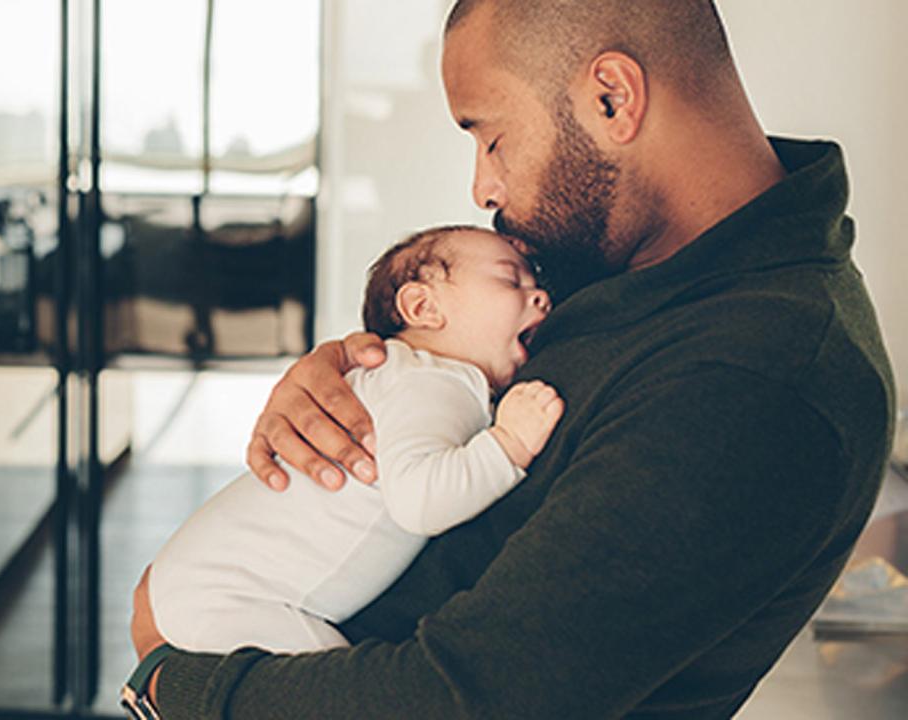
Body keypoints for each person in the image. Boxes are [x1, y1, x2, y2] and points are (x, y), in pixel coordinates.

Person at [127, 1, 897, 718]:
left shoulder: (756, 381)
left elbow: (465, 699)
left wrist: (176, 685)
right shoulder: (622, 265)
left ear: (612, 99)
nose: (482, 185)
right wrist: (349, 369)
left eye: (490, 136)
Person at [146, 226, 562, 655]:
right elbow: (420, 501)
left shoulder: (401, 377)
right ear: (423, 306)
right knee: (332, 684)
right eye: (511, 280)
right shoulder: (433, 382)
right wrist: (509, 443)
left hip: (198, 578)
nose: (541, 297)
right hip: (234, 593)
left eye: (536, 284)